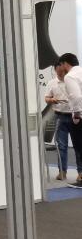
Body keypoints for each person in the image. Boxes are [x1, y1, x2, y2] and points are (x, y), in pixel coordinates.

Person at [44, 60, 79, 181]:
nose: (61, 74)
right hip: (60, 116)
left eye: (63, 72)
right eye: (59, 72)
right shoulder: (52, 83)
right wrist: (52, 100)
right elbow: (46, 98)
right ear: (55, 70)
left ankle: (80, 172)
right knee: (61, 146)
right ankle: (62, 172)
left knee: (78, 145)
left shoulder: (73, 81)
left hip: (75, 116)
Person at [56, 53, 82, 186]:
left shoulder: (70, 76)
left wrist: (76, 115)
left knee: (79, 147)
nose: (60, 68)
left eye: (60, 65)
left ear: (65, 63)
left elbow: (76, 97)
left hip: (80, 116)